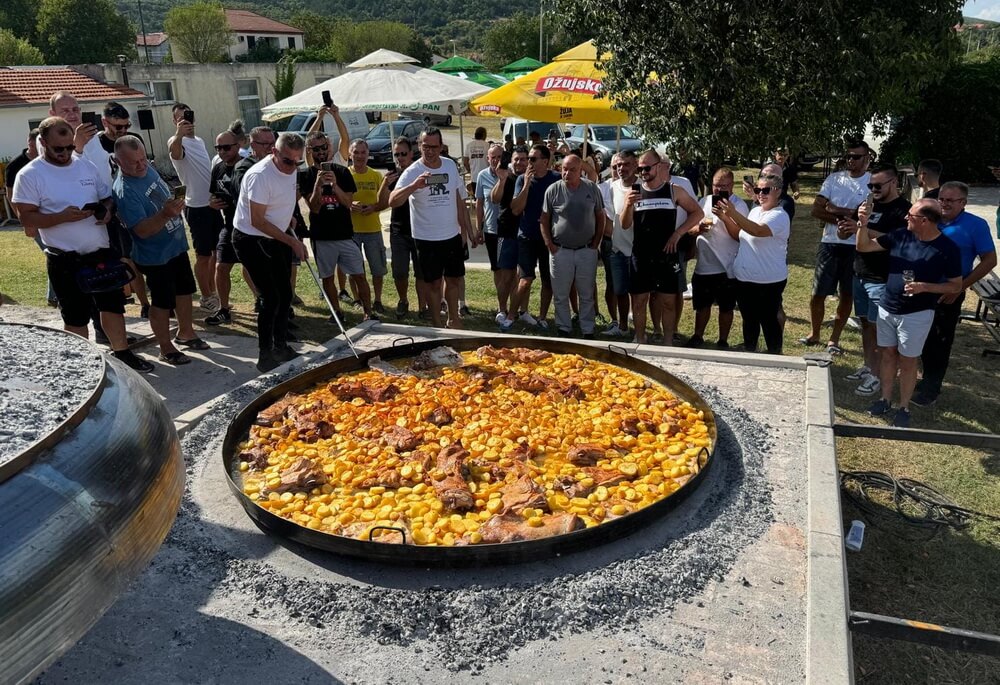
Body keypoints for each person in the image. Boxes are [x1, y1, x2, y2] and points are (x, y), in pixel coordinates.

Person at [12, 116, 152, 373]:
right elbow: (26, 217)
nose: (66, 153)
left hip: (99, 251)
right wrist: (61, 217)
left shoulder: (84, 166)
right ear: (43, 142)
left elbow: (107, 197)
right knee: (75, 316)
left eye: (68, 147)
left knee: (112, 306)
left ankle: (122, 353)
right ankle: (80, 365)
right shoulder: (30, 174)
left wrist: (106, 211)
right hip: (65, 258)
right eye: (58, 148)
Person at [856, 198, 962, 427]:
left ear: (924, 221)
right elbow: (863, 246)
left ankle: (903, 407)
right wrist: (862, 224)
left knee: (908, 360)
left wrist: (925, 287)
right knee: (887, 354)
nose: (906, 218)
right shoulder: (901, 235)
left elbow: (955, 285)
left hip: (917, 314)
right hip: (887, 307)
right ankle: (884, 399)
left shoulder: (947, 249)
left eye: (910, 215)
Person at [113, 137, 208, 365]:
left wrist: (174, 206)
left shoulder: (148, 169)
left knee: (184, 290)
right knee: (162, 302)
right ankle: (165, 347)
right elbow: (142, 231)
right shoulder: (125, 191)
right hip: (154, 255)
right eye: (134, 162)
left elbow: (162, 196)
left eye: (143, 158)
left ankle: (186, 333)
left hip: (175, 245)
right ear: (118, 162)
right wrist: (166, 214)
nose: (141, 165)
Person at [912, 182, 997, 406]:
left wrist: (961, 286)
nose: (945, 204)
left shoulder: (975, 225)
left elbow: (990, 260)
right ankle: (918, 377)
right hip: (918, 288)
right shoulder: (928, 218)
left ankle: (931, 387)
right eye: (942, 198)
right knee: (916, 336)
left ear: (963, 203)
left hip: (946, 293)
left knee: (938, 341)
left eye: (951, 200)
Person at [232, 132, 308, 372]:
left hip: (275, 235)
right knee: (270, 297)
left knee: (285, 294)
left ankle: (280, 345)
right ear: (273, 152)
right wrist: (292, 242)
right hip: (251, 239)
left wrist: (290, 217)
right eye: (288, 161)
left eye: (298, 162)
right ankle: (264, 355)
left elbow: (285, 196)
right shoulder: (259, 176)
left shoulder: (290, 166)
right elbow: (257, 220)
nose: (293, 167)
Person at [389, 128, 476, 329]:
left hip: (451, 235)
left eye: (433, 147)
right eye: (425, 146)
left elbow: (459, 199)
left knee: (453, 280)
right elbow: (393, 200)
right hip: (426, 238)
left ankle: (453, 319)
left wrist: (469, 231)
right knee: (433, 284)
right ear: (419, 146)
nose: (429, 151)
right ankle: (437, 323)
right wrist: (414, 186)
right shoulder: (412, 171)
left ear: (441, 146)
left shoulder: (449, 165)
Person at [619, 149, 703, 345]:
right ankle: (640, 338)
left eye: (647, 168)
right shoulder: (634, 192)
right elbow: (624, 224)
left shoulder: (674, 190)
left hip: (667, 254)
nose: (643, 172)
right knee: (639, 302)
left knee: (668, 302)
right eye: (640, 169)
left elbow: (697, 213)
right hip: (641, 255)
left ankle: (668, 342)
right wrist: (628, 206)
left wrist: (678, 233)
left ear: (658, 167)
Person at [842, 165, 910, 397]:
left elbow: (898, 241)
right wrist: (846, 227)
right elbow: (848, 231)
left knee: (882, 331)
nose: (873, 189)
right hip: (860, 274)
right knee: (866, 325)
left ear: (894, 182)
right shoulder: (868, 205)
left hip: (883, 279)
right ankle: (869, 366)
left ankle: (879, 377)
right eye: (870, 185)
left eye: (878, 185)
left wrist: (864, 228)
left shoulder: (904, 211)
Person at [803, 140, 873, 354]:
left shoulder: (871, 182)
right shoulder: (834, 179)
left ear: (867, 158)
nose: (851, 160)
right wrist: (847, 215)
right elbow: (816, 209)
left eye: (856, 157)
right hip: (830, 243)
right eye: (848, 156)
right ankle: (815, 334)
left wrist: (834, 209)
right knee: (818, 293)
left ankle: (834, 339)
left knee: (847, 294)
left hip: (856, 246)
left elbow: (868, 212)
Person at [299, 131, 376, 322]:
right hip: (322, 237)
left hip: (345, 235)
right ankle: (337, 313)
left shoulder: (342, 172)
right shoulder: (307, 176)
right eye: (316, 149)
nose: (321, 152)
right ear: (310, 151)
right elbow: (314, 208)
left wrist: (334, 186)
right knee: (327, 278)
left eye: (324, 147)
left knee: (359, 275)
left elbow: (348, 202)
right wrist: (318, 185)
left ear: (330, 148)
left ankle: (368, 312)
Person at [716, 174, 790, 354]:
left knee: (769, 322)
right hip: (745, 278)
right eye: (758, 190)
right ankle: (750, 353)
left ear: (778, 191)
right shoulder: (756, 210)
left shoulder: (780, 216)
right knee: (749, 320)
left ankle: (774, 356)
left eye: (766, 190)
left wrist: (733, 212)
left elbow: (757, 230)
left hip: (768, 281)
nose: (761, 194)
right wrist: (725, 217)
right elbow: (741, 234)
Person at [539, 154, 605, 338]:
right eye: (564, 169)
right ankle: (563, 328)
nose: (567, 173)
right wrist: (550, 244)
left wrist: (596, 242)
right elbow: (544, 219)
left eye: (572, 169)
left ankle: (588, 329)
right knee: (560, 293)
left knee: (586, 292)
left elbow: (600, 217)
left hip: (586, 250)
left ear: (581, 170)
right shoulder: (553, 190)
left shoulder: (591, 188)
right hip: (561, 250)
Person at [168, 102, 222, 313]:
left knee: (216, 252)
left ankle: (215, 291)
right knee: (203, 255)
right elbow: (175, 153)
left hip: (211, 204)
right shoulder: (175, 141)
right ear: (174, 121)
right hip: (195, 206)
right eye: (180, 118)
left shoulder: (198, 140)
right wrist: (179, 134)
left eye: (188, 117)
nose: (186, 122)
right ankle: (206, 295)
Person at [687, 168, 747, 349]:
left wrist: (725, 216)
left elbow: (739, 236)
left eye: (724, 186)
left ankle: (723, 340)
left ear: (732, 187)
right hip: (704, 264)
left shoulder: (739, 206)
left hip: (727, 266)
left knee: (726, 307)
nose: (719, 190)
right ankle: (697, 336)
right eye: (715, 186)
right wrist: (699, 229)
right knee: (702, 305)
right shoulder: (703, 202)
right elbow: (690, 228)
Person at [510, 144, 561, 329]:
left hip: (549, 237)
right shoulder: (522, 179)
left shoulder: (556, 179)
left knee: (548, 281)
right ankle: (510, 316)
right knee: (525, 279)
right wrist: (525, 185)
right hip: (527, 236)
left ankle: (542, 317)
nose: (528, 162)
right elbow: (516, 210)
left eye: (532, 159)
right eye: (528, 158)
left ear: (545, 161)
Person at [5, 128, 57, 306]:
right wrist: (25, 221)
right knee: (53, 254)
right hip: (35, 220)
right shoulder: (17, 166)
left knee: (56, 254)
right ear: (30, 143)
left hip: (53, 219)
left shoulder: (49, 162)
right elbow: (12, 196)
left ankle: (54, 296)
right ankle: (54, 296)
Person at [379, 137, 425, 319]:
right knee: (399, 271)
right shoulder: (393, 176)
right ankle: (403, 300)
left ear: (412, 154)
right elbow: (381, 203)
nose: (400, 158)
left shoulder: (420, 172)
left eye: (403, 153)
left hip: (420, 229)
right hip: (398, 231)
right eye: (396, 154)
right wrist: (384, 184)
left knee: (421, 272)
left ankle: (423, 307)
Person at [204, 129, 244, 326]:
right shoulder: (218, 168)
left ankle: (266, 304)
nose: (222, 151)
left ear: (238, 146)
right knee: (221, 267)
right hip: (228, 225)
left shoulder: (246, 167)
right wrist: (212, 203)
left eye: (226, 147)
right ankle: (224, 309)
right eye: (218, 148)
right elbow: (213, 194)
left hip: (249, 226)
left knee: (253, 269)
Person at [344, 138, 387, 313]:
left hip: (373, 229)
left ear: (368, 154)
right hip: (351, 231)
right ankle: (357, 299)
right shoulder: (344, 174)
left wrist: (374, 207)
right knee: (354, 270)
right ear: (350, 154)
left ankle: (377, 300)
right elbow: (338, 200)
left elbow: (386, 201)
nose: (360, 156)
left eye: (363, 152)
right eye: (356, 152)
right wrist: (349, 204)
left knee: (377, 269)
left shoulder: (376, 175)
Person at [490, 145, 529, 331]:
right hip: (507, 232)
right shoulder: (507, 177)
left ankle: (524, 310)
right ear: (511, 161)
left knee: (525, 276)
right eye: (516, 159)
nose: (520, 162)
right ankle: (502, 309)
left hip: (527, 233)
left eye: (523, 159)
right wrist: (502, 180)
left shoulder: (531, 178)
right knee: (507, 276)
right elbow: (494, 199)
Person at [476, 144, 515, 324]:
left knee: (510, 271)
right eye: (493, 157)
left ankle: (514, 306)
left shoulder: (512, 175)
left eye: (499, 157)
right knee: (497, 270)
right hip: (491, 229)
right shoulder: (482, 176)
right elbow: (479, 203)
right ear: (487, 158)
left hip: (508, 229)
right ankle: (502, 306)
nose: (496, 160)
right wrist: (479, 227)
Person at [603, 151, 638, 338]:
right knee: (620, 290)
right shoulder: (611, 188)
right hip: (618, 249)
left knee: (638, 294)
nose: (621, 168)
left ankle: (639, 330)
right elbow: (609, 216)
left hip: (639, 249)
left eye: (626, 164)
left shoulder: (643, 187)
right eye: (618, 166)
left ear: (635, 165)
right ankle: (623, 327)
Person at [464, 126, 489, 190]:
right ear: (483, 135)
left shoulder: (469, 145)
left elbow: (465, 161)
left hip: (474, 177)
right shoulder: (487, 145)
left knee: (477, 198)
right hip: (486, 176)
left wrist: (470, 171)